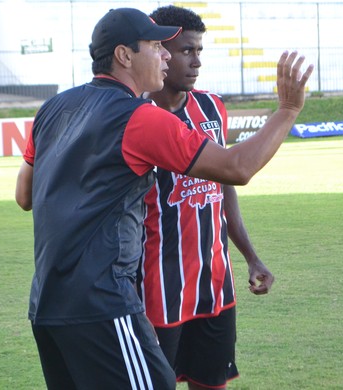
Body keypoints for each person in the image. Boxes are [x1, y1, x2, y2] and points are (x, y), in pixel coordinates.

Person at [15, 7, 313, 389]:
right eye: (157, 46)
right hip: (104, 305)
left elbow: (25, 195)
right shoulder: (139, 117)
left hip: (47, 306)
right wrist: (287, 110)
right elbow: (236, 168)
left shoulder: (54, 108)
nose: (167, 55)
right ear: (125, 56)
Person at [137, 6, 273, 389]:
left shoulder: (211, 107)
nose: (197, 62)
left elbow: (224, 183)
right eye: (186, 51)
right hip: (157, 288)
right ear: (160, 52)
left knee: (211, 383)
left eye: (200, 51)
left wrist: (250, 256)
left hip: (215, 284)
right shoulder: (135, 116)